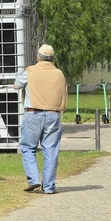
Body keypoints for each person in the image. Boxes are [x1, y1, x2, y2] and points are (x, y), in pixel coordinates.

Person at [14, 44, 67, 194]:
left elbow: (16, 86)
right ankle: (49, 187)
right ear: (52, 58)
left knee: (28, 147)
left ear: (38, 57)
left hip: (33, 114)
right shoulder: (59, 73)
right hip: (53, 114)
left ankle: (34, 179)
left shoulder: (30, 71)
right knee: (50, 151)